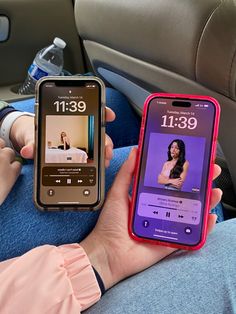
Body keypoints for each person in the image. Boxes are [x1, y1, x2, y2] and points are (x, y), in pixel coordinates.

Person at [0, 89, 235, 313]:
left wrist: (11, 122)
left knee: (114, 101)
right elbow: (164, 179)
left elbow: (170, 180)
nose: (173, 149)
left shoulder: (181, 165)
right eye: (171, 146)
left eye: (176, 147)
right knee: (225, 235)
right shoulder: (170, 165)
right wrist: (100, 258)